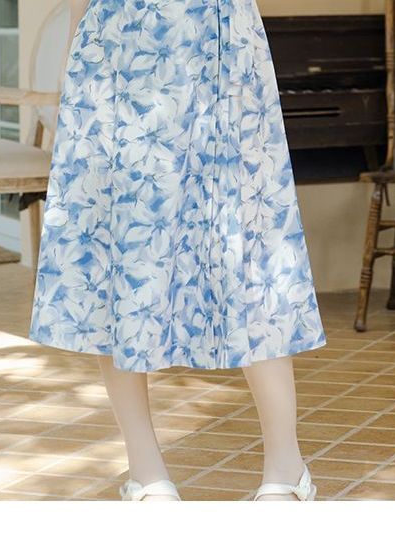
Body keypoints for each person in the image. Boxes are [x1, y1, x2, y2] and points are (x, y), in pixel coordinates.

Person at [28, 0, 327, 501]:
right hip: (139, 45)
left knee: (231, 250)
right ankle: (162, 474)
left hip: (196, 44)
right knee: (138, 250)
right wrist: (78, 66)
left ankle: (266, 468)